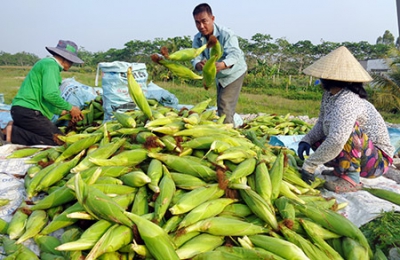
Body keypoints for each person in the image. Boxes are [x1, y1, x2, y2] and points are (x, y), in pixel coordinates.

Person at [297, 46, 394, 193]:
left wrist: (310, 164)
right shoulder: (329, 96)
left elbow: (337, 139)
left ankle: (352, 179)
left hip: (376, 161)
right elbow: (321, 123)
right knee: (319, 138)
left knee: (345, 131)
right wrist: (307, 140)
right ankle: (341, 171)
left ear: (330, 79)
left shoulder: (348, 100)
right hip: (361, 155)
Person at [1, 40, 84, 146]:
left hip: (22, 111)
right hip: (29, 112)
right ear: (65, 58)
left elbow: (46, 100)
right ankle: (12, 133)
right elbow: (50, 95)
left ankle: (15, 129)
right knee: (58, 140)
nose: (72, 64)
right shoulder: (51, 65)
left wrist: (64, 112)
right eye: (71, 61)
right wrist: (71, 108)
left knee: (54, 137)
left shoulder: (47, 64)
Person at [191, 3, 247, 125]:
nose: (201, 26)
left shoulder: (226, 34)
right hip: (218, 75)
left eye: (204, 21)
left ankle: (227, 134)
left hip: (233, 72)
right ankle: (226, 126)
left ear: (212, 19)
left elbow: (235, 54)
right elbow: (195, 57)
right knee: (222, 103)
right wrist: (198, 65)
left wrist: (222, 65)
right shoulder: (197, 39)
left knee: (224, 103)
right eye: (197, 22)